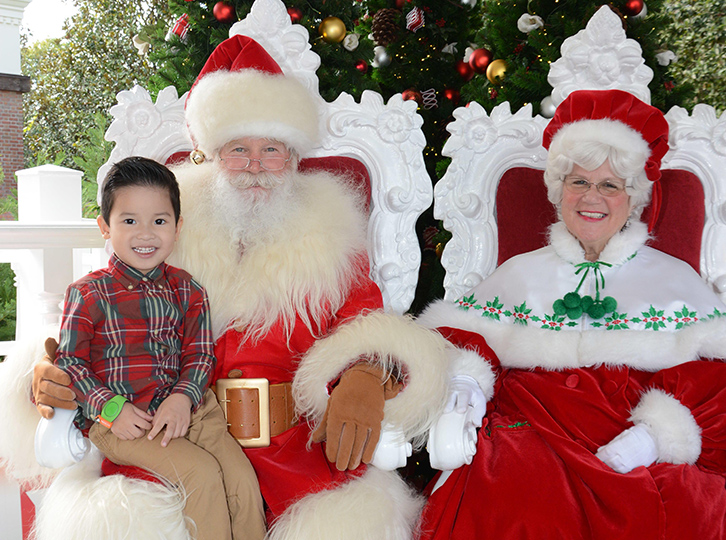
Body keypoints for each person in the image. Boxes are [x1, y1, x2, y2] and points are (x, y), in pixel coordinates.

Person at [28, 34, 446, 540]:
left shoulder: (331, 235)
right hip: (173, 438)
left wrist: (365, 375)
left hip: (297, 453)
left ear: (292, 158)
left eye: (271, 149)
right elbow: (105, 312)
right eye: (238, 150)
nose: (255, 166)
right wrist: (55, 367)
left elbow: (368, 325)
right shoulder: (163, 227)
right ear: (209, 155)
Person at [417, 89, 726, 539]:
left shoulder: (673, 278)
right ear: (559, 190)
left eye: (609, 185)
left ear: (632, 197)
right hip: (533, 426)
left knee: (674, 503)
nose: (592, 197)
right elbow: (457, 339)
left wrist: (655, 434)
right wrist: (466, 377)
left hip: (634, 430)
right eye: (579, 182)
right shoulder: (519, 273)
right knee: (514, 492)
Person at [54, 156, 266, 540]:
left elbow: (200, 355)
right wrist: (110, 407)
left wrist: (184, 398)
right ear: (105, 226)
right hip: (127, 421)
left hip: (194, 412)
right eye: (130, 221)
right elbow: (70, 363)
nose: (146, 234)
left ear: (177, 227)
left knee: (242, 482)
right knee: (200, 475)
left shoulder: (189, 290)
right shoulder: (88, 293)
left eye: (160, 221)